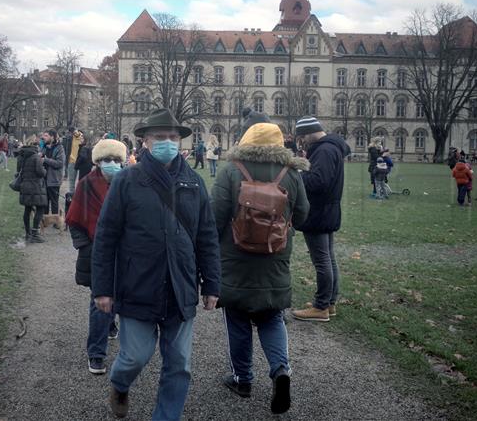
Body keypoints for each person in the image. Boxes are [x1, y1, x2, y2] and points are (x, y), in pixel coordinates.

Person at [92, 108, 220, 421]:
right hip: (139, 284)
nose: (167, 142)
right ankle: (120, 384)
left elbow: (207, 236)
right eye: (160, 137)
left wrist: (212, 284)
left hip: (181, 286)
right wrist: (103, 289)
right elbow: (106, 237)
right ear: (146, 141)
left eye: (173, 137)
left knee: (179, 364)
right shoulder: (127, 180)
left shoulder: (194, 182)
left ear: (181, 141)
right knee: (134, 356)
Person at [211, 120, 309, 414]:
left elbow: (214, 216)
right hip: (274, 256)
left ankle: (242, 379)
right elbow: (303, 216)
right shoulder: (291, 173)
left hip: (235, 257)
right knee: (272, 316)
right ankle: (281, 370)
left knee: (238, 318)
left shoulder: (231, 170)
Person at [66, 138, 128, 375]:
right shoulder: (86, 184)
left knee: (118, 294)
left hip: (124, 252)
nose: (111, 164)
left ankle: (110, 325)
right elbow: (74, 220)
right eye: (106, 160)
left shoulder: (128, 183)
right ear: (97, 162)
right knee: (100, 299)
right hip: (97, 252)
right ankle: (96, 353)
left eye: (116, 160)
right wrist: (87, 247)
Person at [291, 117, 351, 322]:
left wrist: (297, 175)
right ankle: (329, 302)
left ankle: (321, 306)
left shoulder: (324, 151)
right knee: (328, 258)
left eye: (302, 137)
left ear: (308, 133)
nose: (302, 141)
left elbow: (318, 181)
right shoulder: (331, 147)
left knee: (322, 260)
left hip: (318, 212)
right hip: (328, 210)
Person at [17, 136, 47, 243]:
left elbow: (18, 171)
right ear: (36, 145)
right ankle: (35, 233)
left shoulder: (21, 156)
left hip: (25, 186)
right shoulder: (36, 157)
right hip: (35, 187)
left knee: (27, 209)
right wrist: (44, 169)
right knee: (40, 208)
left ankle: (27, 233)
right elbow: (41, 172)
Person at [41, 129, 65, 216]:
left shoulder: (59, 148)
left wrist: (45, 160)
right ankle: (45, 220)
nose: (44, 137)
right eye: (44, 135)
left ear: (52, 137)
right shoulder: (44, 147)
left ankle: (56, 222)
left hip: (54, 179)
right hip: (44, 179)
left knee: (54, 202)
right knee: (45, 202)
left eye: (46, 135)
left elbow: (60, 163)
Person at [65, 127, 83, 193]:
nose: (74, 133)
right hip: (71, 162)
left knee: (81, 182)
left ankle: (80, 198)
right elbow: (66, 150)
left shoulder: (82, 138)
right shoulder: (69, 138)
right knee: (71, 184)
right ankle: (72, 199)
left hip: (81, 162)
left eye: (76, 131)